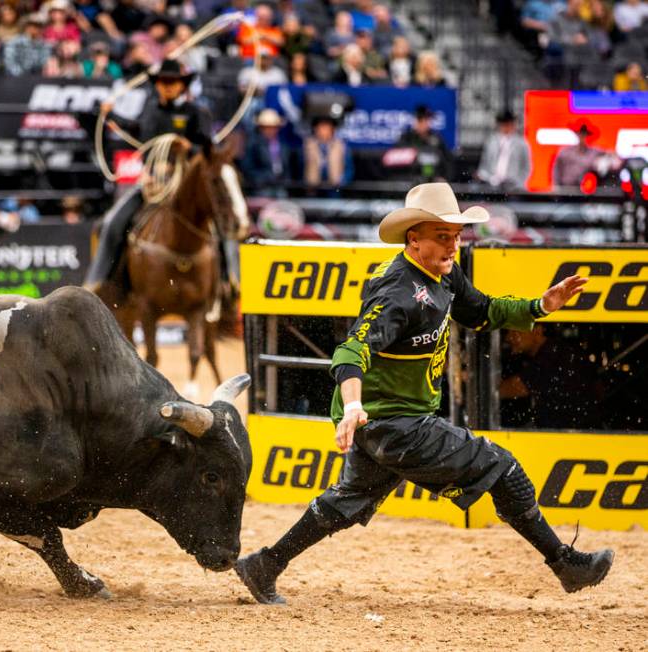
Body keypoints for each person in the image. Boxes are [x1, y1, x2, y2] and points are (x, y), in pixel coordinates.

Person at [234, 182, 615, 605]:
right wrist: (355, 406)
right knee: (504, 469)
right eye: (442, 237)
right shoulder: (398, 291)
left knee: (344, 503)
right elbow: (351, 350)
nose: (453, 246)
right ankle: (565, 564)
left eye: (456, 236)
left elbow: (481, 310)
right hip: (394, 423)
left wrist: (538, 307)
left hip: (384, 421)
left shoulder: (443, 274)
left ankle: (265, 565)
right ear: (414, 240)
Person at [84, 59, 213, 292]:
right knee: (112, 222)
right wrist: (110, 116)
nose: (168, 86)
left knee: (222, 224)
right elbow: (136, 130)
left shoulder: (196, 112)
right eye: (164, 81)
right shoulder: (151, 110)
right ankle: (102, 280)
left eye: (173, 82)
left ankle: (228, 282)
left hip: (187, 184)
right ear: (157, 85)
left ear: (182, 85)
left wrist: (188, 148)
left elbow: (208, 149)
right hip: (153, 183)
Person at [500, 325, 600, 429]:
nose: (508, 337)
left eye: (515, 331)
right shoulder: (558, 351)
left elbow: (513, 388)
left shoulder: (552, 356)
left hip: (570, 435)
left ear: (537, 331)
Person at [240, 109, 302, 196]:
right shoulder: (253, 144)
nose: (270, 130)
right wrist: (265, 177)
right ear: (260, 128)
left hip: (281, 186)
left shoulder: (283, 144)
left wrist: (286, 180)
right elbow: (247, 168)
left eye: (273, 127)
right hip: (261, 187)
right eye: (267, 127)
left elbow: (289, 166)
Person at [394, 105, 453, 181]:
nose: (423, 123)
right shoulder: (406, 138)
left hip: (433, 181)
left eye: (426, 120)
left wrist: (445, 178)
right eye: (420, 120)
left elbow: (448, 161)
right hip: (410, 182)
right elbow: (397, 162)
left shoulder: (436, 139)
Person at [476, 109, 531, 189]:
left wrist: (517, 183)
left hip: (514, 187)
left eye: (509, 124)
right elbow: (483, 166)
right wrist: (489, 178)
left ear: (513, 125)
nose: (506, 127)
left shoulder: (522, 144)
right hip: (491, 186)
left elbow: (527, 168)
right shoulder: (491, 142)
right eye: (504, 124)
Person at [303, 115, 352, 190]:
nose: (323, 130)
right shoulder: (308, 146)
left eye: (326, 127)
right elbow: (300, 167)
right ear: (315, 129)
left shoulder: (341, 146)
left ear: (332, 129)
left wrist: (342, 182)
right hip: (313, 189)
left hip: (334, 189)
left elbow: (349, 168)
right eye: (320, 127)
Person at [552, 123, 608, 188]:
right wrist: (557, 188)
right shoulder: (565, 152)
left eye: (584, 134)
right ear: (576, 134)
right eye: (580, 133)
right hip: (566, 190)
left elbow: (609, 156)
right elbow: (556, 171)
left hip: (586, 191)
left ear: (588, 136)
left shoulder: (595, 153)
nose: (582, 137)